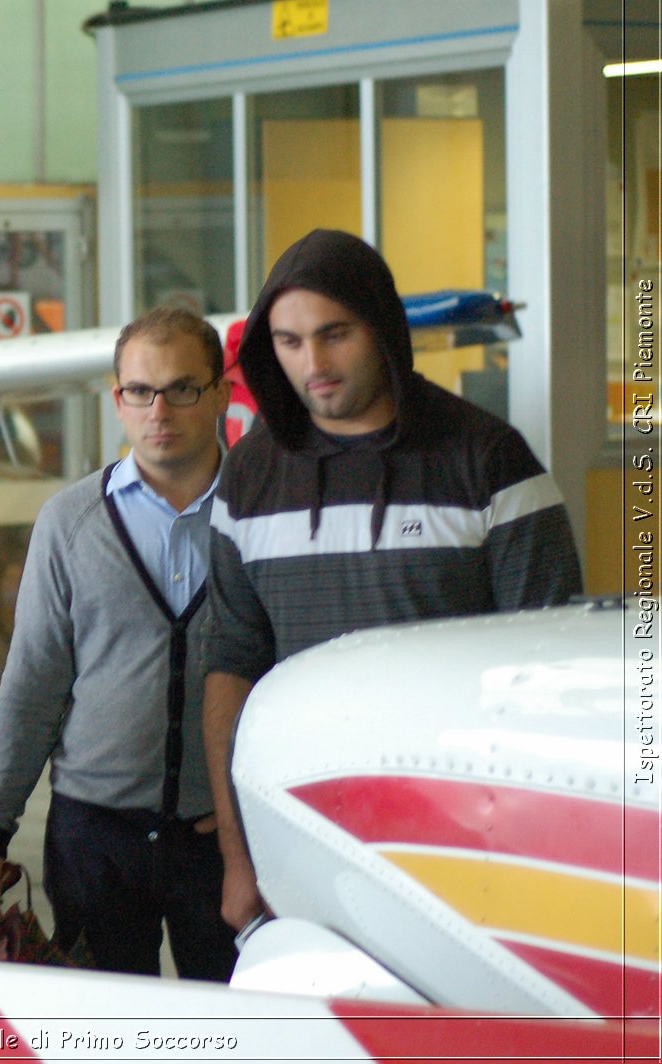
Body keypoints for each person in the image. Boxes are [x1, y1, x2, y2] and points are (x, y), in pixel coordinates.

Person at [203, 228, 583, 932]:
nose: (312, 363)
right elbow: (232, 666)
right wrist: (237, 858)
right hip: (298, 835)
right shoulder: (248, 478)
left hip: (466, 846)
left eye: (334, 334)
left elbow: (550, 676)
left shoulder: (490, 461)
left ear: (381, 328)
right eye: (288, 342)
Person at [0, 307, 236, 980]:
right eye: (140, 390)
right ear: (118, 401)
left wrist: (247, 807)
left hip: (220, 835)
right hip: (94, 840)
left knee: (234, 1031)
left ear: (221, 393)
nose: (159, 408)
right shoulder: (70, 521)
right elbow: (33, 684)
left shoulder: (261, 517)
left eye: (182, 388)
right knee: (102, 1032)